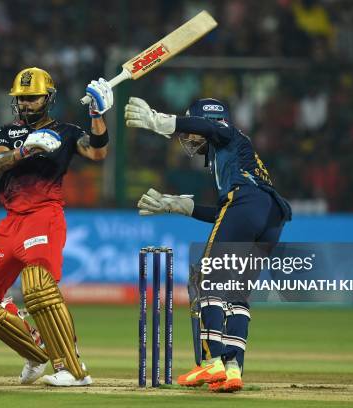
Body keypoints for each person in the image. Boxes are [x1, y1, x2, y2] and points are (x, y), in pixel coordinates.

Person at [125, 96, 291, 392]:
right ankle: (233, 369)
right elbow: (227, 214)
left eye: (191, 130)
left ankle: (212, 362)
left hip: (246, 204)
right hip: (270, 218)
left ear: (208, 124)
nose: (186, 138)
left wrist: (160, 121)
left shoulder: (226, 133)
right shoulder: (231, 156)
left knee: (207, 279)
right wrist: (180, 206)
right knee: (237, 293)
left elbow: (236, 206)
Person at [0, 67, 113, 387]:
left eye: (32, 98)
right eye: (21, 99)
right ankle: (34, 352)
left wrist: (97, 114)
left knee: (38, 288)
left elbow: (97, 151)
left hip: (44, 216)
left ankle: (72, 368)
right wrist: (26, 149)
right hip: (11, 222)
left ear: (48, 98)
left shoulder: (68, 132)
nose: (26, 104)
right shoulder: (6, 132)